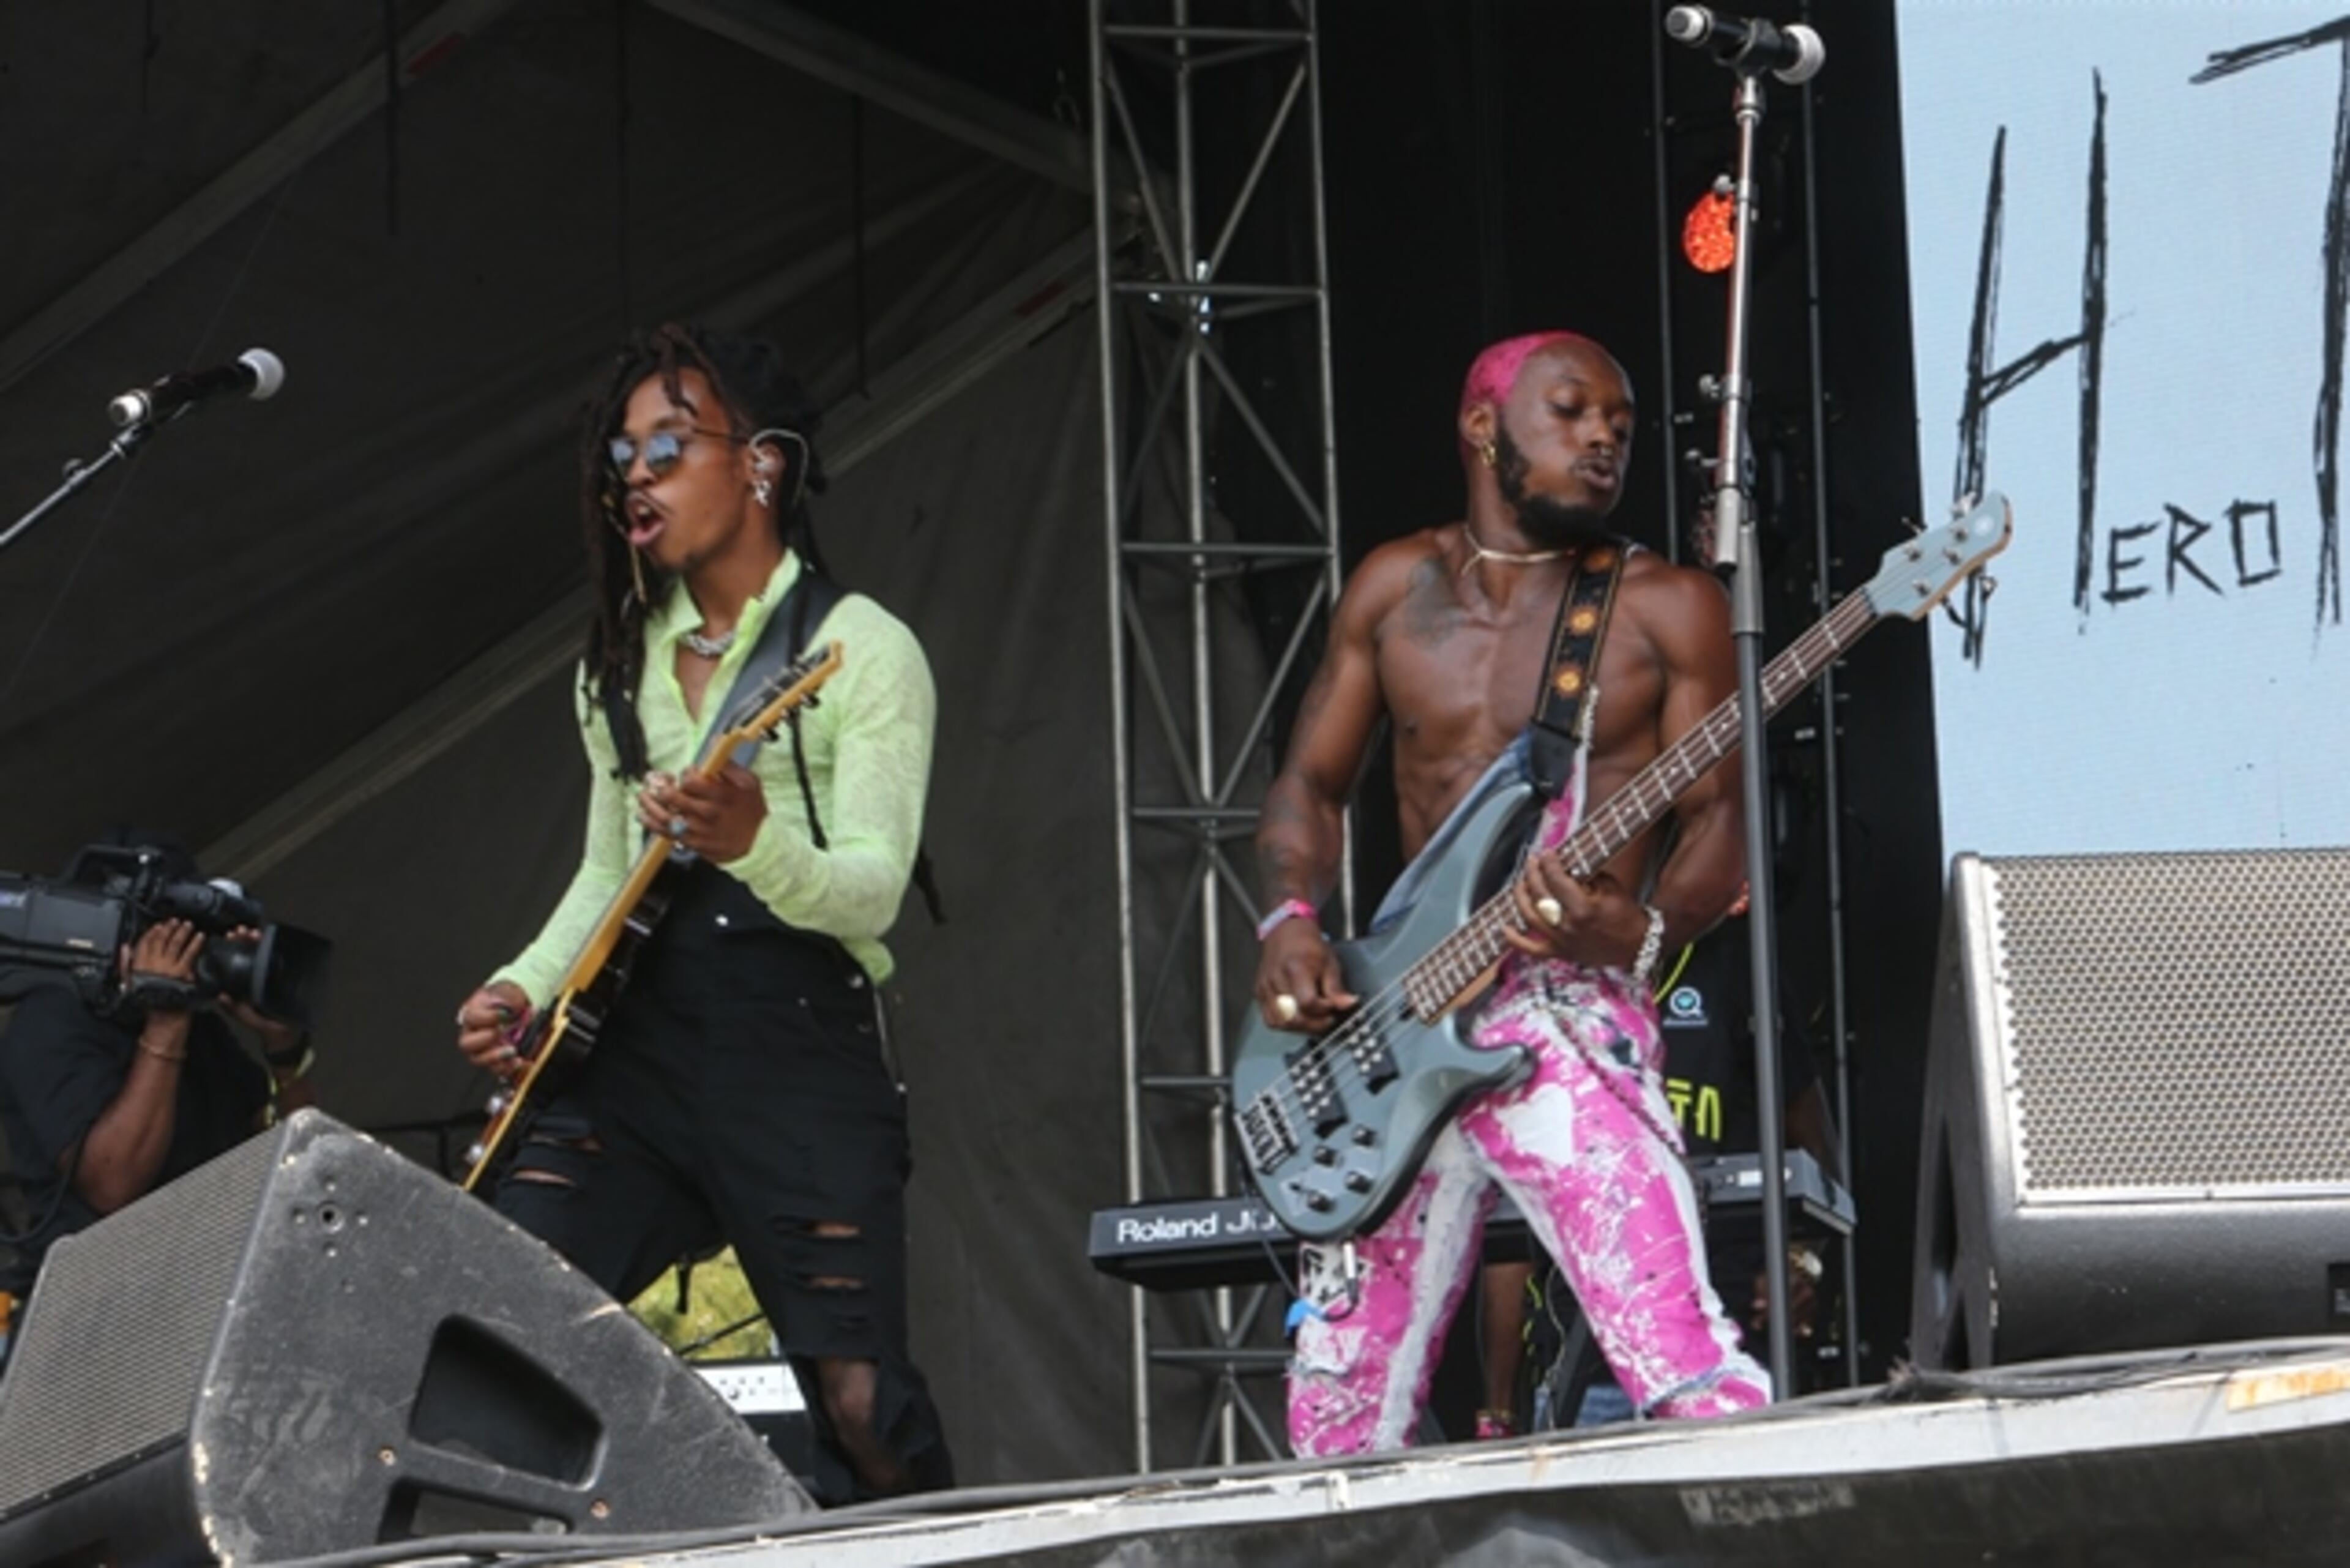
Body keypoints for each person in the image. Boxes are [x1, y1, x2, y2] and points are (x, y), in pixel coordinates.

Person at [451, 323, 950, 1504]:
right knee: (494, 1313)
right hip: (635, 1057)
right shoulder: (614, 670)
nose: (634, 472)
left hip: (796, 1046)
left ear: (763, 464)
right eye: (621, 453)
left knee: (860, 1404)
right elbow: (601, 874)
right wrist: (523, 981)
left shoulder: (860, 648)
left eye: (667, 444)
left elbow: (876, 885)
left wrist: (753, 843)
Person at [1255, 331, 1770, 1456]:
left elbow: (1721, 827)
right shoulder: (1395, 587)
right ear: (1484, 428)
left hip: (1566, 1011)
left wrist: (1636, 933)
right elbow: (1310, 782)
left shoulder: (1664, 607)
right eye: (1573, 413)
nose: (1602, 441)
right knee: (1336, 1420)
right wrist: (1290, 923)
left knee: (1678, 1360)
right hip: (1393, 1025)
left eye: (1620, 429)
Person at [0, 836, 317, 1318]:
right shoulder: (48, 1023)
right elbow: (113, 1182)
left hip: (216, 1285)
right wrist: (166, 1020)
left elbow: (298, 1165)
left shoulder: (201, 1029)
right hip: (106, 1313)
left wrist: (283, 1050)